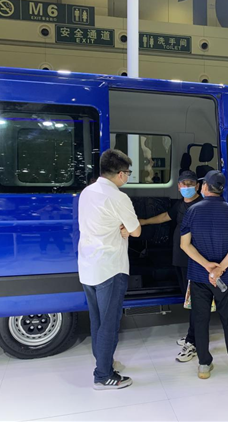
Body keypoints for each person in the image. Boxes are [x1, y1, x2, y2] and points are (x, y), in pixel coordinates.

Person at [78, 149, 141, 390]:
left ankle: (104, 362)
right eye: (128, 173)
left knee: (97, 321)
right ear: (121, 174)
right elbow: (136, 231)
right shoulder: (118, 197)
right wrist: (125, 228)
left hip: (88, 266)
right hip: (110, 268)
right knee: (109, 324)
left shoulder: (87, 192)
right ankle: (103, 375)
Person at [180, 170, 228, 380]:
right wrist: (220, 269)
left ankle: (204, 365)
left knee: (200, 320)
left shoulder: (192, 211)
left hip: (199, 276)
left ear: (204, 187)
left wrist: (206, 266)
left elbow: (185, 245)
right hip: (225, 279)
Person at [139, 170, 202, 362]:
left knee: (195, 301)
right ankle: (192, 334)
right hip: (180, 259)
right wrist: (145, 222)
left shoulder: (201, 206)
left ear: (198, 186)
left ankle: (194, 342)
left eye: (190, 184)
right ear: (178, 186)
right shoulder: (181, 204)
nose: (186, 187)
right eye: (183, 184)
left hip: (193, 261)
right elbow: (166, 216)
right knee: (188, 299)